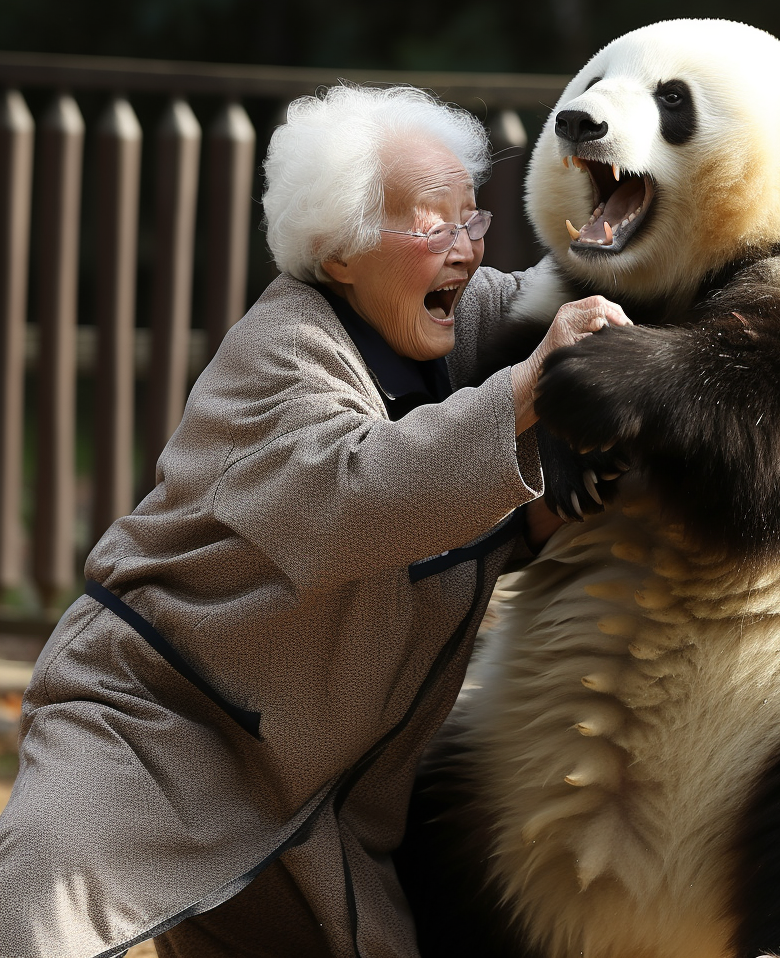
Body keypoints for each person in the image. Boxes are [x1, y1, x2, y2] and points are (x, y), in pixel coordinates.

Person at [0, 84, 629, 958]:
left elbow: (584, 292)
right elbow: (360, 494)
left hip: (324, 798)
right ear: (340, 252)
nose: (465, 251)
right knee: (38, 919)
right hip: (153, 727)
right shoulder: (279, 356)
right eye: (431, 225)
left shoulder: (467, 318)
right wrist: (527, 390)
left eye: (471, 221)